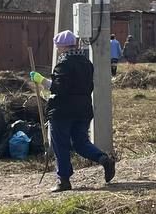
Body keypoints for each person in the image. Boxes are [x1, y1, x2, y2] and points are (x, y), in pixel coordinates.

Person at [46, 30, 116, 192]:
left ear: (63, 47)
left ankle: (64, 180)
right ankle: (104, 159)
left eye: (58, 47)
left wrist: (42, 81)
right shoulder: (86, 63)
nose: (58, 50)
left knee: (61, 145)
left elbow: (59, 88)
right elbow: (88, 86)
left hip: (62, 111)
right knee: (80, 142)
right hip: (83, 109)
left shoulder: (63, 63)